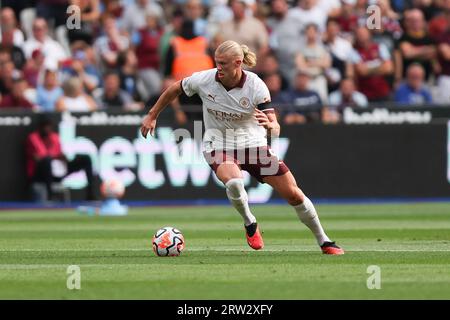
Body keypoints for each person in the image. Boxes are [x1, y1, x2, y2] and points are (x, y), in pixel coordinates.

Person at [140, 40, 344, 255]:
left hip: (253, 144)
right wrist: (152, 115)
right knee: (235, 182)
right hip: (218, 143)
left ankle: (325, 241)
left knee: (294, 195)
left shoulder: (255, 85)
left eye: (223, 63)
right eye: (217, 62)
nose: (218, 67)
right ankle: (250, 222)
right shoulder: (204, 79)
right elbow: (175, 88)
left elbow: (274, 125)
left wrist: (272, 125)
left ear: (238, 63)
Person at [25, 114, 96, 201]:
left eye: (48, 125)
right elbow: (38, 159)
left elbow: (60, 154)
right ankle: (50, 196)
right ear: (39, 126)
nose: (46, 128)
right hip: (40, 174)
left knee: (85, 158)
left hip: (57, 170)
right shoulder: (32, 138)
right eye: (44, 125)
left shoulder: (55, 137)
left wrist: (63, 158)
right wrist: (54, 157)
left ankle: (90, 194)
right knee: (47, 161)